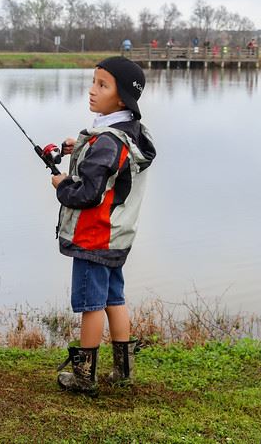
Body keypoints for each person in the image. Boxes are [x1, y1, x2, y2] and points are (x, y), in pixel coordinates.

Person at [51, 56, 156, 395]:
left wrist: (62, 185)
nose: (92, 90)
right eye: (94, 82)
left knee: (91, 305)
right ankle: (123, 371)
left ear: (122, 98)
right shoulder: (131, 133)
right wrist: (80, 148)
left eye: (102, 85)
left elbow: (88, 193)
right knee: (114, 298)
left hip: (94, 237)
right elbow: (110, 166)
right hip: (117, 236)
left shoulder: (108, 141)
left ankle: (85, 377)